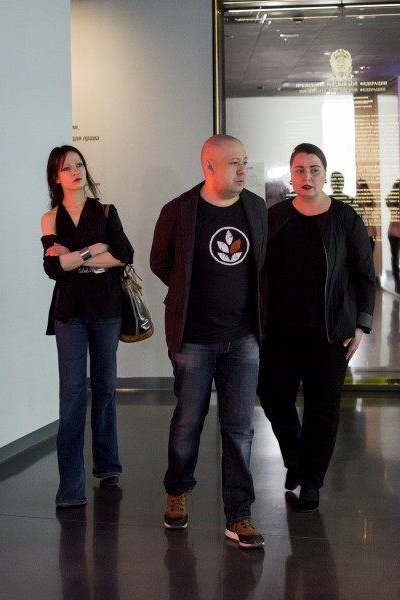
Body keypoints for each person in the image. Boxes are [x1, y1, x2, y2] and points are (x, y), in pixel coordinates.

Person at [150, 134, 267, 549]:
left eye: (245, 161)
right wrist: (188, 294)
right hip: (194, 338)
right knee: (188, 422)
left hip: (243, 337)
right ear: (209, 165)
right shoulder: (179, 210)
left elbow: (262, 265)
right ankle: (178, 490)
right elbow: (160, 261)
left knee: (240, 429)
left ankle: (239, 515)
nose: (243, 169)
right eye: (235, 162)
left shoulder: (255, 207)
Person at [258, 143, 375, 512]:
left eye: (314, 170)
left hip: (330, 332)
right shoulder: (274, 217)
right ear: (290, 176)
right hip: (280, 331)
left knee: (322, 408)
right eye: (299, 170)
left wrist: (361, 324)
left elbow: (365, 274)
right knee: (273, 396)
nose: (306, 177)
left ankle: (310, 481)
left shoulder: (345, 218)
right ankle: (296, 458)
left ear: (324, 174)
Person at [41, 145, 134, 508]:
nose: (75, 172)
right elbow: (52, 268)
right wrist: (93, 250)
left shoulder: (105, 211)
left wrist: (71, 257)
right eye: (67, 168)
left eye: (79, 165)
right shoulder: (50, 218)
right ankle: (70, 488)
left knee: (105, 389)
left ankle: (107, 465)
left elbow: (123, 254)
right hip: (69, 314)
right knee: (72, 395)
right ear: (56, 176)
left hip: (107, 310)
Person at [386, 180, 400, 292]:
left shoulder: (392, 200)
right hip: (395, 233)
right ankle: (398, 282)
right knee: (396, 258)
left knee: (395, 258)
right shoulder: (396, 201)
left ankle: (398, 282)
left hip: (393, 232)